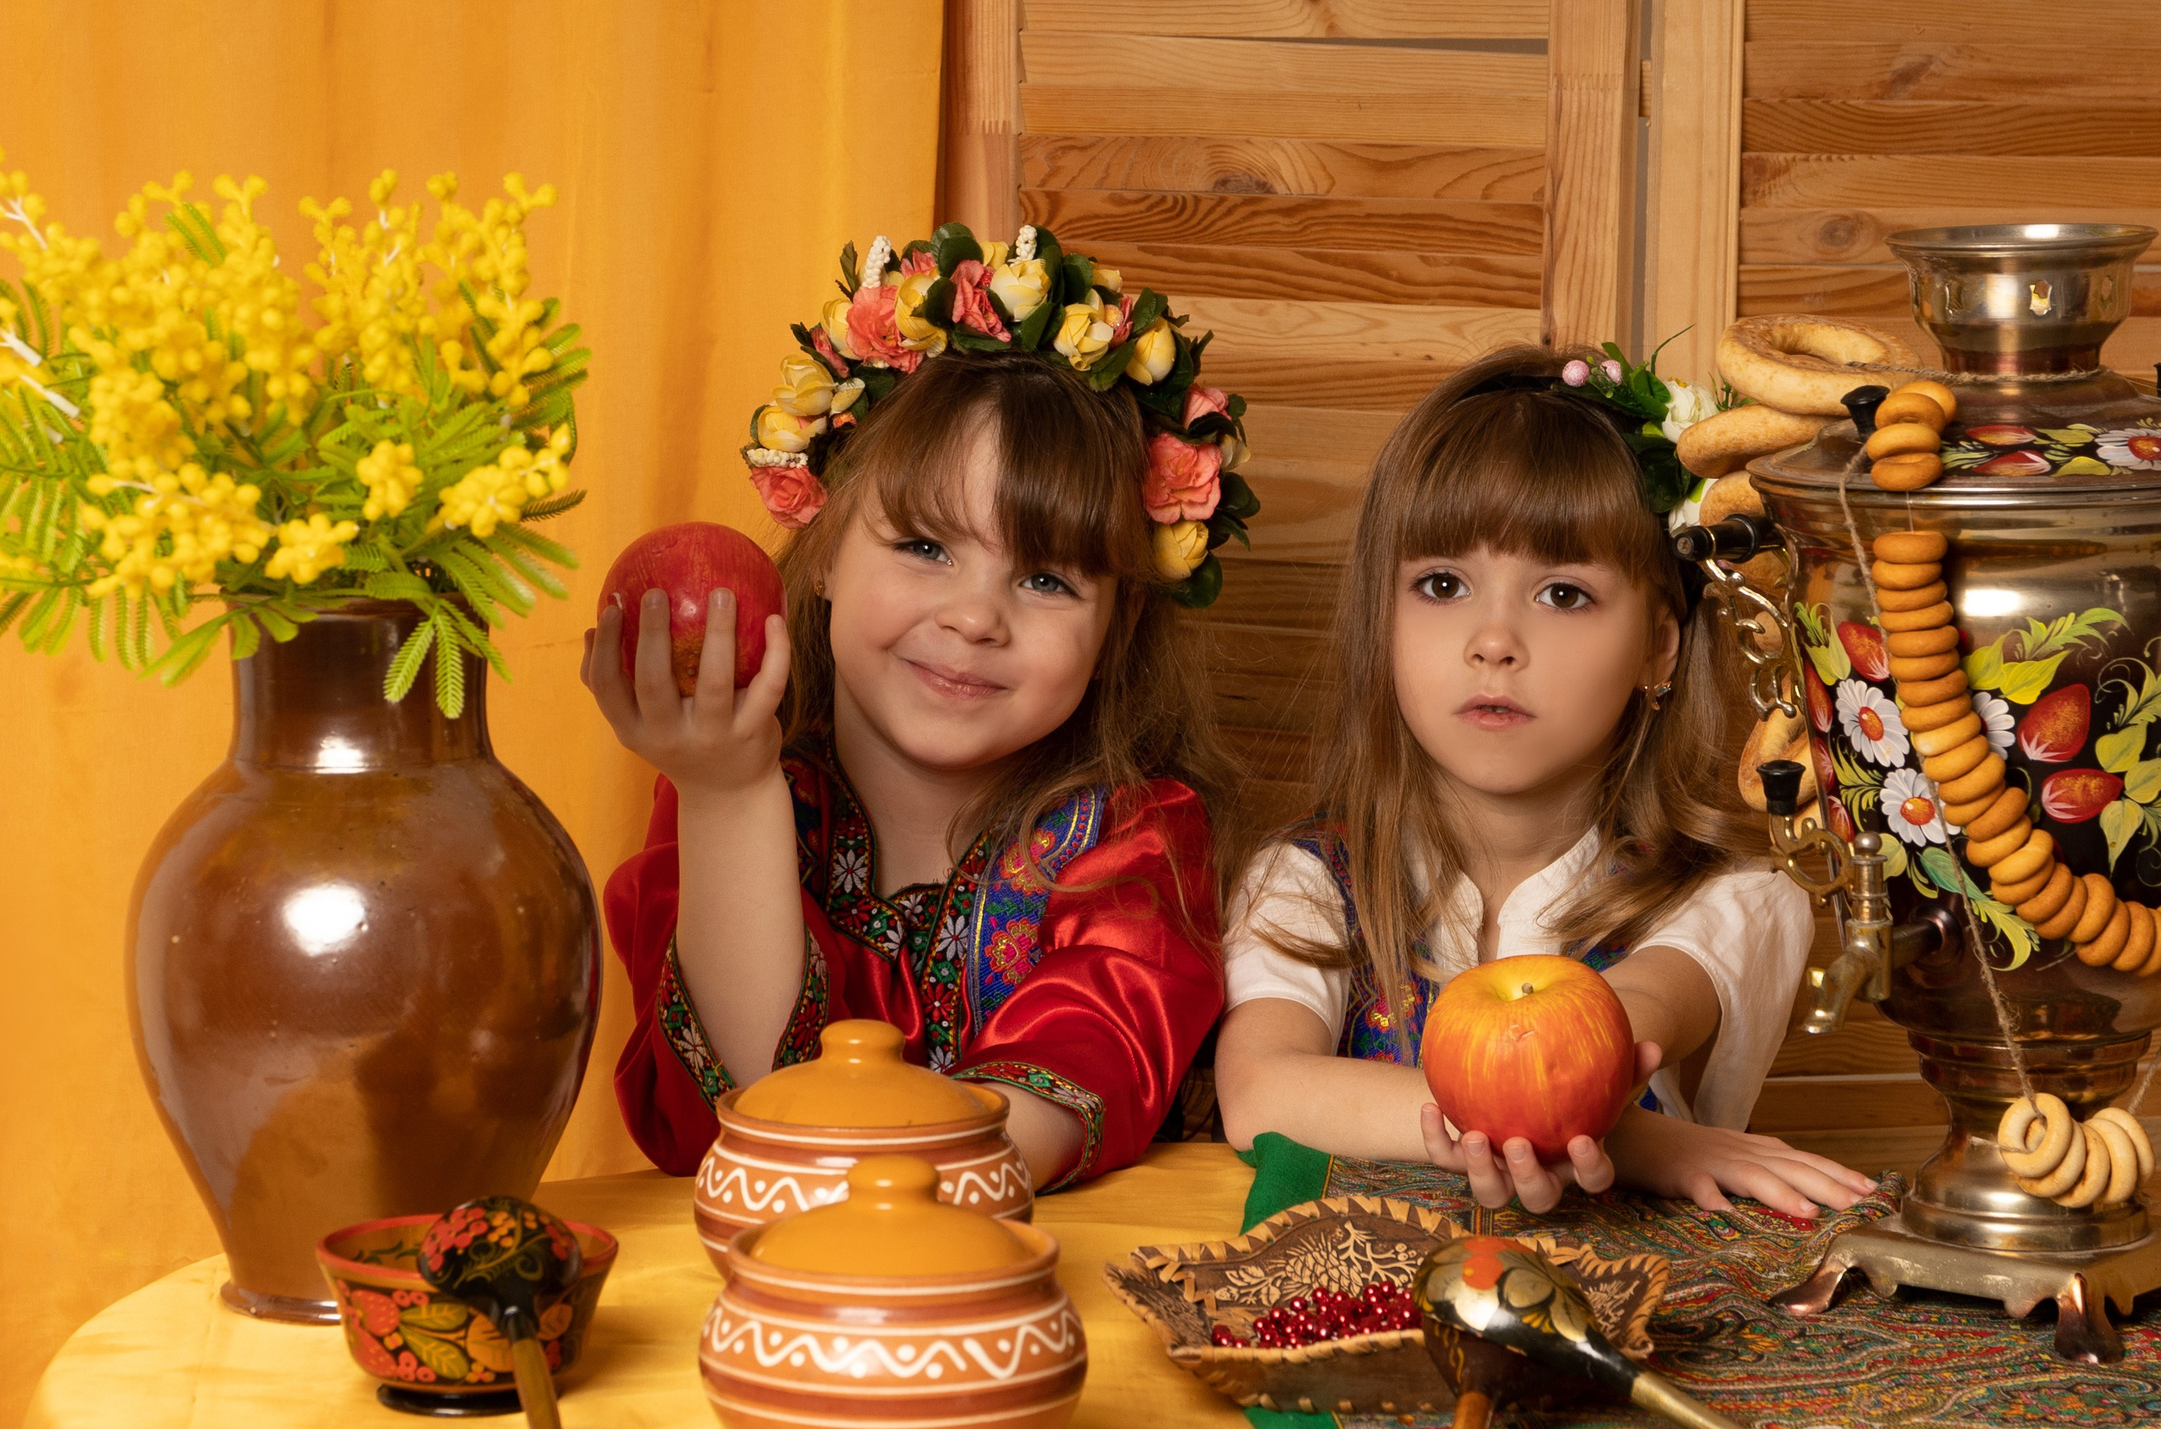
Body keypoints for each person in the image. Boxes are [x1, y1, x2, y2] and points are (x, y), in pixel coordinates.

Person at [589, 228, 1255, 1190]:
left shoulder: (1139, 844)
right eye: (926, 549)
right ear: (821, 551)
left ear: (1119, 624)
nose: (977, 617)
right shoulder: (720, 783)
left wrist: (862, 1175)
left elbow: (1062, 1097)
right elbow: (726, 1114)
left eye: (1045, 579)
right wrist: (727, 794)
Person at [1215, 346, 1874, 1218]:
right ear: (1382, 619)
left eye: (1562, 594)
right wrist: (1643, 1142)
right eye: (1443, 584)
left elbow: (1627, 1018)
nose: (1495, 641)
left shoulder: (1734, 899)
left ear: (1660, 647)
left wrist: (1514, 1119)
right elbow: (1262, 1090)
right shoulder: (1305, 882)